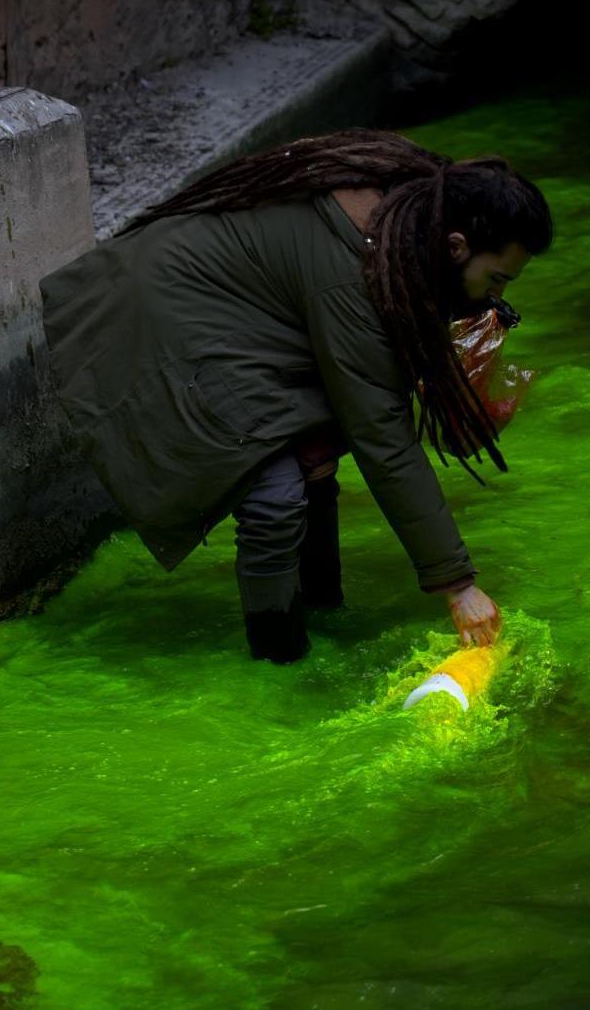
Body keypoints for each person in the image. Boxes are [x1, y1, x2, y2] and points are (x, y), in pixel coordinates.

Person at [40, 129, 552, 663]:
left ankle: (324, 610)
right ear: (456, 246)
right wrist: (458, 585)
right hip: (157, 312)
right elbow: (383, 436)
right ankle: (278, 662)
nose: (498, 297)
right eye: (495, 280)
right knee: (273, 492)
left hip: (235, 310)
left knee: (315, 450)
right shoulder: (354, 272)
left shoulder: (417, 207)